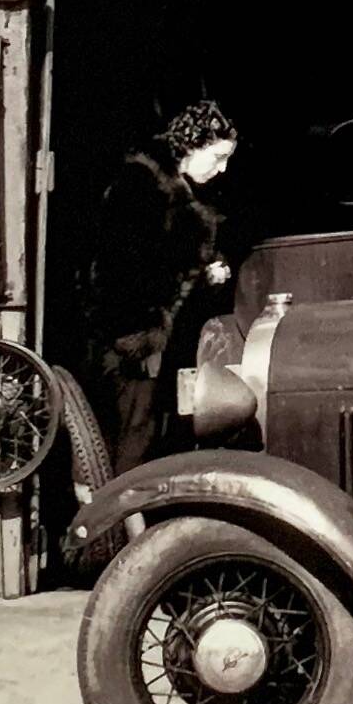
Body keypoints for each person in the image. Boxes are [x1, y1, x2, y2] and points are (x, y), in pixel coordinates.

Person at [80, 99, 236, 471]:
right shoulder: (141, 187)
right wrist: (137, 339)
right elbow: (120, 270)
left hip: (155, 341)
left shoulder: (184, 191)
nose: (223, 168)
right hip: (130, 342)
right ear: (192, 145)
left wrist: (208, 272)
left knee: (148, 436)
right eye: (217, 157)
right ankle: (119, 524)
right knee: (132, 438)